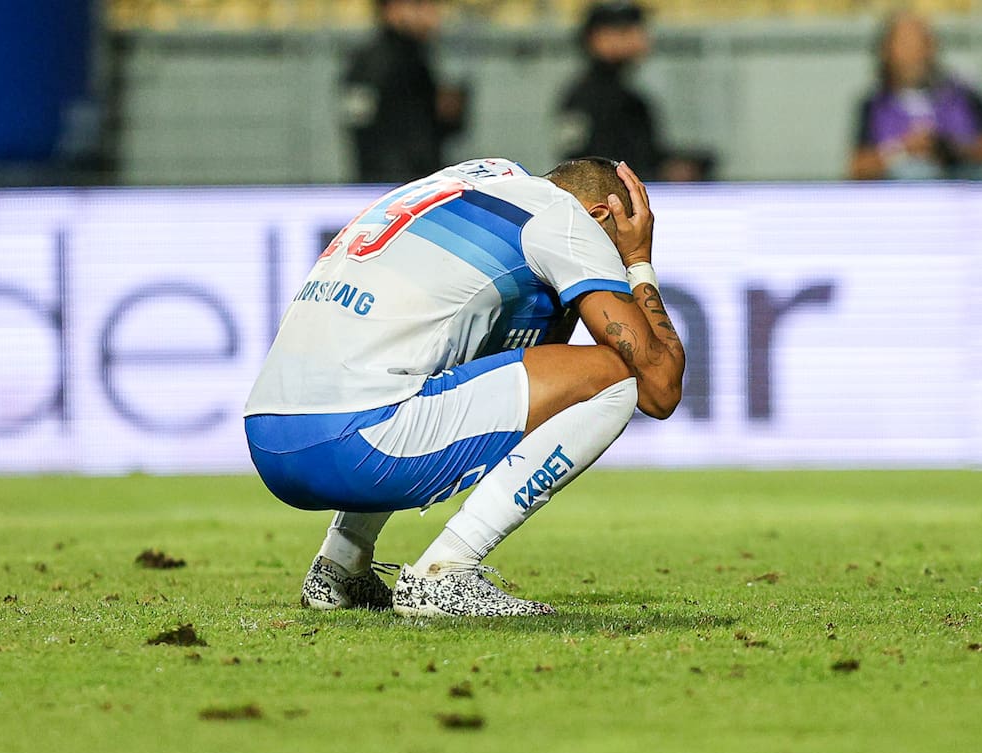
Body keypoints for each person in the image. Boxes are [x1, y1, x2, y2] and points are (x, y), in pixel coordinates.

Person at [243, 157, 685, 617]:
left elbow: (521, 359)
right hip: (358, 447)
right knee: (612, 377)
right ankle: (448, 571)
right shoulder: (565, 217)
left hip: (268, 440)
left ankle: (341, 564)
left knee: (438, 356)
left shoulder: (475, 180)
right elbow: (660, 387)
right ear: (600, 215)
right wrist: (636, 261)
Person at [849, 11, 982, 180]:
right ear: (887, 51)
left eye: (922, 43)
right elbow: (858, 167)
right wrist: (903, 149)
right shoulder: (875, 104)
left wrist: (953, 150)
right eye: (906, 44)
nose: (915, 53)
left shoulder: (964, 93)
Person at [341, 0, 465, 183]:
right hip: (390, 183)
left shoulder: (419, 57)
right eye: (419, 5)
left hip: (417, 182)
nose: (430, 14)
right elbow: (362, 129)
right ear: (393, 9)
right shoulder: (370, 62)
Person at [556, 3, 665, 181]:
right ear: (597, 38)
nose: (639, 37)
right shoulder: (587, 97)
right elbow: (580, 165)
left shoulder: (626, 95)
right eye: (625, 30)